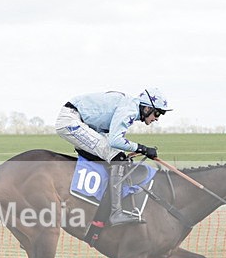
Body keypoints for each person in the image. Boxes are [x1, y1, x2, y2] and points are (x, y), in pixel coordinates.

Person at [55, 88, 172, 225]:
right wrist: (142, 148)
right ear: (147, 108)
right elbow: (115, 140)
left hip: (79, 121)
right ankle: (116, 213)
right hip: (71, 121)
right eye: (157, 113)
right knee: (118, 158)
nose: (157, 118)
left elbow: (111, 139)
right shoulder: (130, 109)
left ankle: (97, 206)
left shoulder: (129, 106)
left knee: (115, 156)